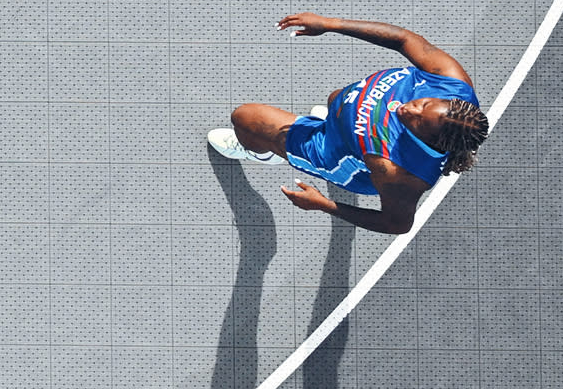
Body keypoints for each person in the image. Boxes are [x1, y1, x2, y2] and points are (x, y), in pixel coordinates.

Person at [208, 12, 491, 235]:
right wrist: (330, 24)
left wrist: (325, 205)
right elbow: (404, 39)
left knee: (244, 118)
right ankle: (332, 118)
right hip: (346, 118)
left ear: (427, 140)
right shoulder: (451, 82)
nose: (408, 108)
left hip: (332, 153)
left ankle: (263, 152)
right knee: (334, 101)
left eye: (416, 120)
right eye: (424, 104)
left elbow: (397, 224)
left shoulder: (396, 171)